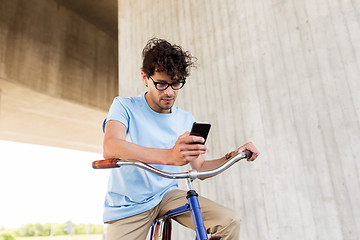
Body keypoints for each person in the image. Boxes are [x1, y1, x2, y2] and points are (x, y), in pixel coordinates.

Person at [102, 38, 260, 240]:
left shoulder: (185, 119)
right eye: (160, 84)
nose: (169, 92)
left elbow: (200, 169)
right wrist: (169, 156)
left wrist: (232, 156)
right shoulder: (124, 106)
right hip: (130, 202)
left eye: (176, 84)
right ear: (144, 77)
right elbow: (111, 146)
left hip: (167, 194)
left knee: (229, 221)